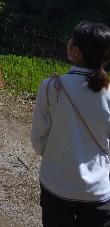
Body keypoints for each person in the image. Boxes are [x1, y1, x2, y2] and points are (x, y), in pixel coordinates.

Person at [31, 20, 110, 227]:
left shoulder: (50, 87)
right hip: (98, 190)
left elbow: (38, 138)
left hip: (56, 182)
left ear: (76, 51)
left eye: (71, 39)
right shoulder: (107, 92)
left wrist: (54, 154)